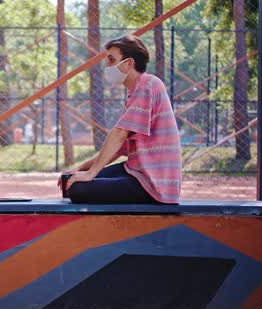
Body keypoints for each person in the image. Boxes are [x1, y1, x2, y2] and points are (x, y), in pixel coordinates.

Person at [58, 35, 182, 204]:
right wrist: (81, 169)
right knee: (72, 180)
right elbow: (118, 149)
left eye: (111, 60)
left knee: (77, 189)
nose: (107, 66)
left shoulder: (147, 84)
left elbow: (119, 133)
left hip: (152, 183)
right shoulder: (137, 90)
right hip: (137, 171)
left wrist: (90, 174)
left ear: (128, 63)